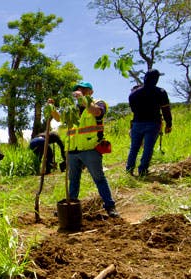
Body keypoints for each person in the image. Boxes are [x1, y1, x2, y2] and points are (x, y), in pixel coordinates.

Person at [48, 81, 119, 218]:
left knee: (99, 178)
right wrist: (51, 107)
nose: (80, 92)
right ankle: (70, 206)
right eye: (78, 90)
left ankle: (110, 207)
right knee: (73, 180)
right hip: (73, 150)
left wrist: (83, 99)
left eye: (84, 90)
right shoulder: (72, 109)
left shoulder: (99, 103)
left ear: (91, 92)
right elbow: (59, 118)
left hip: (90, 148)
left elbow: (97, 112)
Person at [126, 69, 173, 176]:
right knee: (148, 147)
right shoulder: (160, 92)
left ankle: (129, 169)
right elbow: (166, 110)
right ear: (156, 79)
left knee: (134, 147)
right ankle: (142, 170)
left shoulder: (133, 94)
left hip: (137, 123)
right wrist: (168, 124)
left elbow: (133, 109)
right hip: (153, 123)